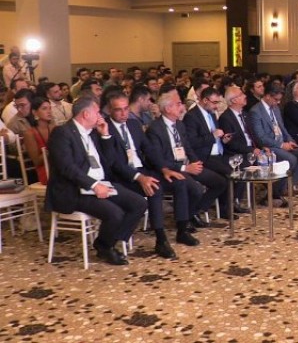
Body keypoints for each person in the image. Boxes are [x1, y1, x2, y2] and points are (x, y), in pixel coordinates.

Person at [45, 96, 148, 266]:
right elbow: (67, 168)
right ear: (86, 114)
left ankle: (107, 242)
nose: (100, 116)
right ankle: (106, 247)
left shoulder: (93, 133)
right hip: (75, 189)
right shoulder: (62, 133)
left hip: (101, 183)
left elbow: (109, 161)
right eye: (97, 112)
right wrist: (93, 185)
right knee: (115, 213)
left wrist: (105, 136)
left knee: (139, 203)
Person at [104, 91, 195, 257]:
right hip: (123, 176)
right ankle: (161, 240)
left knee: (179, 181)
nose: (124, 113)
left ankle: (182, 230)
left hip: (143, 169)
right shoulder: (105, 129)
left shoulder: (133, 125)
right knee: (155, 189)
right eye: (118, 110)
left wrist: (164, 169)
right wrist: (139, 178)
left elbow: (149, 149)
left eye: (126, 109)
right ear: (110, 110)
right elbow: (115, 164)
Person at [146, 93, 228, 227]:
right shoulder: (155, 129)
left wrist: (196, 162)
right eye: (178, 104)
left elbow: (187, 147)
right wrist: (185, 168)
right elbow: (158, 159)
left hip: (186, 164)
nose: (182, 107)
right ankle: (184, 222)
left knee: (220, 182)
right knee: (195, 189)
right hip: (170, 169)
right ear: (168, 108)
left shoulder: (179, 124)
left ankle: (194, 212)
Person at [181, 87, 239, 216]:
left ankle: (223, 208)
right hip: (203, 157)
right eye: (214, 102)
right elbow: (192, 143)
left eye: (218, 102)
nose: (216, 106)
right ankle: (199, 209)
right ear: (205, 100)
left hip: (217, 154)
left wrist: (222, 140)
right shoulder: (191, 116)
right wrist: (212, 136)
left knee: (234, 173)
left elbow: (215, 136)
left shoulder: (212, 114)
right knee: (228, 175)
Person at [248, 83, 298, 204]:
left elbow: (282, 128)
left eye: (279, 100)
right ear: (268, 96)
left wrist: (290, 140)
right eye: (276, 99)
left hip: (281, 141)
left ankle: (286, 187)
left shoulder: (275, 108)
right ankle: (273, 193)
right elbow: (260, 138)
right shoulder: (256, 112)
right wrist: (281, 145)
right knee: (290, 159)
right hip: (268, 147)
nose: (278, 102)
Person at [23, 97, 54, 185]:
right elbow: (36, 161)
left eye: (50, 108)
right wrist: (51, 149)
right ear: (34, 112)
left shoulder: (55, 128)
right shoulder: (29, 133)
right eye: (44, 108)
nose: (49, 111)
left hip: (60, 166)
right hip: (46, 171)